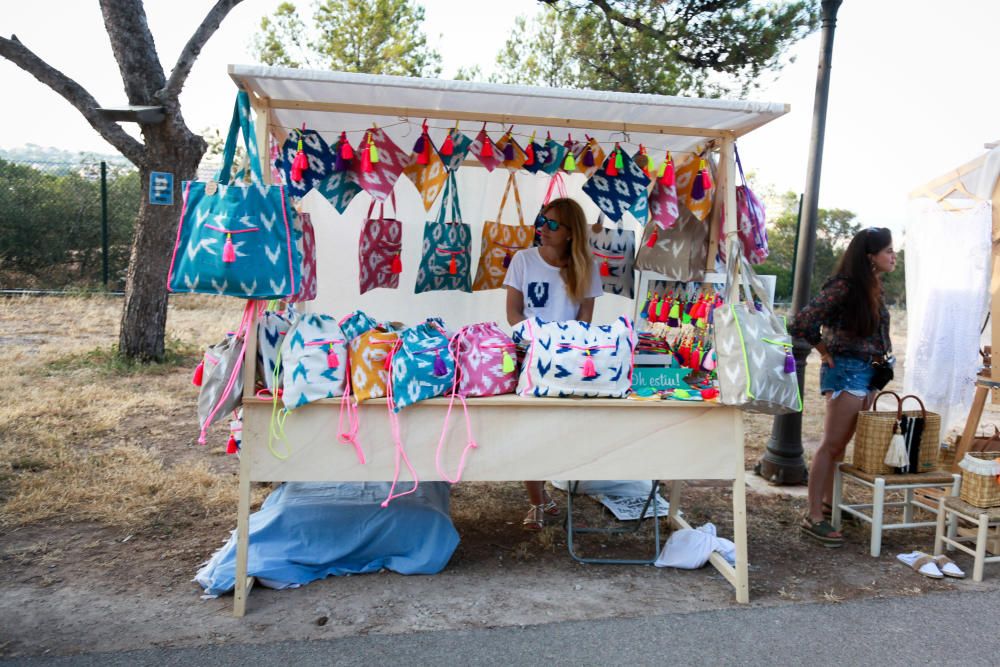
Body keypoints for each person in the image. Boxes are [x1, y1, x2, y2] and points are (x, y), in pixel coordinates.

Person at [790, 227, 897, 547]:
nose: (894, 256)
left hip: (870, 371)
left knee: (841, 445)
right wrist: (822, 352)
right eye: (889, 251)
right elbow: (801, 321)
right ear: (870, 257)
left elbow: (877, 340)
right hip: (847, 370)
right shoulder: (845, 287)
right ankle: (814, 516)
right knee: (832, 444)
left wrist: (880, 374)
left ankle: (827, 503)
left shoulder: (872, 286)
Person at [503, 197, 604, 530]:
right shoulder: (523, 260)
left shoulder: (586, 268)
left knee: (560, 431)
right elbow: (513, 314)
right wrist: (538, 341)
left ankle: (552, 489)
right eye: (540, 221)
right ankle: (538, 500)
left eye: (551, 224)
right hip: (529, 357)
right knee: (527, 432)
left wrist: (565, 348)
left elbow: (586, 321)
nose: (541, 229)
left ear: (571, 233)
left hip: (570, 360)